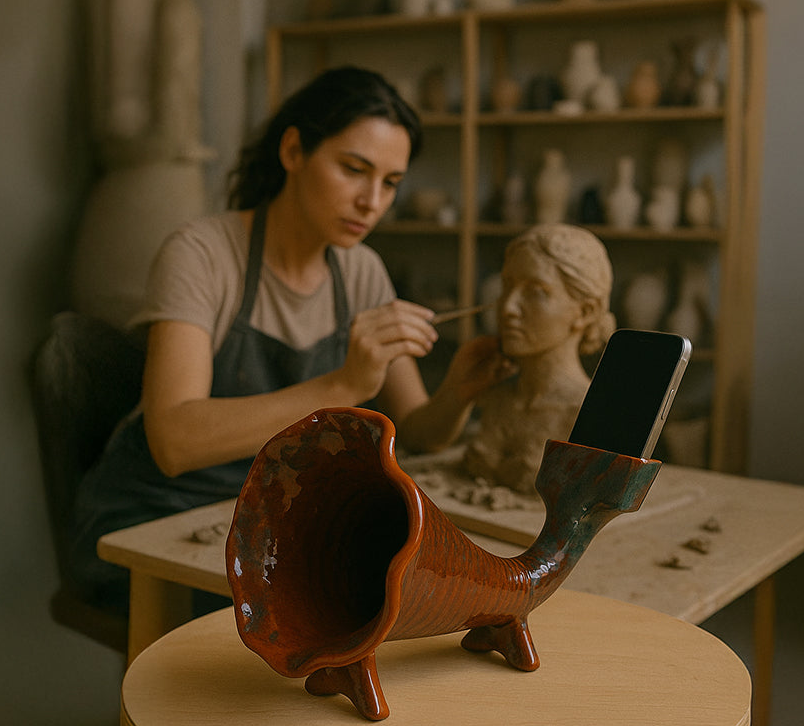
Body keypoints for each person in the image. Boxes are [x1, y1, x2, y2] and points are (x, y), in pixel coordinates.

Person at [70, 65, 512, 613]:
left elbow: (420, 432)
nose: (372, 200)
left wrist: (459, 391)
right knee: (324, 616)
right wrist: (345, 383)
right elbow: (173, 441)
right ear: (293, 151)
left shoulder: (362, 272)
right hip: (156, 517)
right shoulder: (204, 254)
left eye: (391, 183)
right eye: (354, 169)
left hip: (273, 521)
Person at [463, 223, 616, 493]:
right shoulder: (497, 400)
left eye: (536, 292)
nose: (508, 307)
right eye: (507, 286)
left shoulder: (592, 417)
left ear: (585, 312)